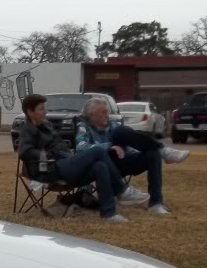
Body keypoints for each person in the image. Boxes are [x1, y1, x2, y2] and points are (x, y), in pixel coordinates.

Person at [17, 95, 148, 222]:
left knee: (100, 166)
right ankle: (122, 191)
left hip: (65, 163)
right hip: (50, 169)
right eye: (41, 109)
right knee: (97, 151)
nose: (45, 112)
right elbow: (24, 152)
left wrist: (69, 155)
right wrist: (47, 155)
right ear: (30, 112)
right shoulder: (27, 130)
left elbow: (60, 146)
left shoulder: (46, 125)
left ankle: (109, 213)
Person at [75, 97, 189, 215]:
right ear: (92, 114)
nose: (107, 115)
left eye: (107, 111)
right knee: (119, 132)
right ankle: (162, 150)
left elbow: (130, 147)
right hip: (103, 166)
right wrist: (109, 147)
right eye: (103, 112)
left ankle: (156, 203)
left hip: (121, 162)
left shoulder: (113, 125)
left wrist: (137, 150)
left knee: (151, 153)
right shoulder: (84, 127)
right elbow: (81, 147)